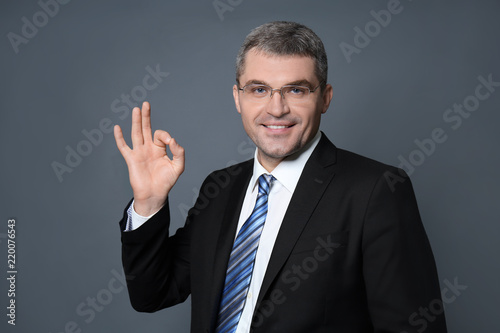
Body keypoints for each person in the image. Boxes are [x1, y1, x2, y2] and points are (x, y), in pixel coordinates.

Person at [114, 21, 447, 333]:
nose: (276, 108)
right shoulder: (219, 189)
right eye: (259, 89)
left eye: (296, 90)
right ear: (237, 99)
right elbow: (151, 295)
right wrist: (148, 202)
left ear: (325, 98)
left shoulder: (377, 191)